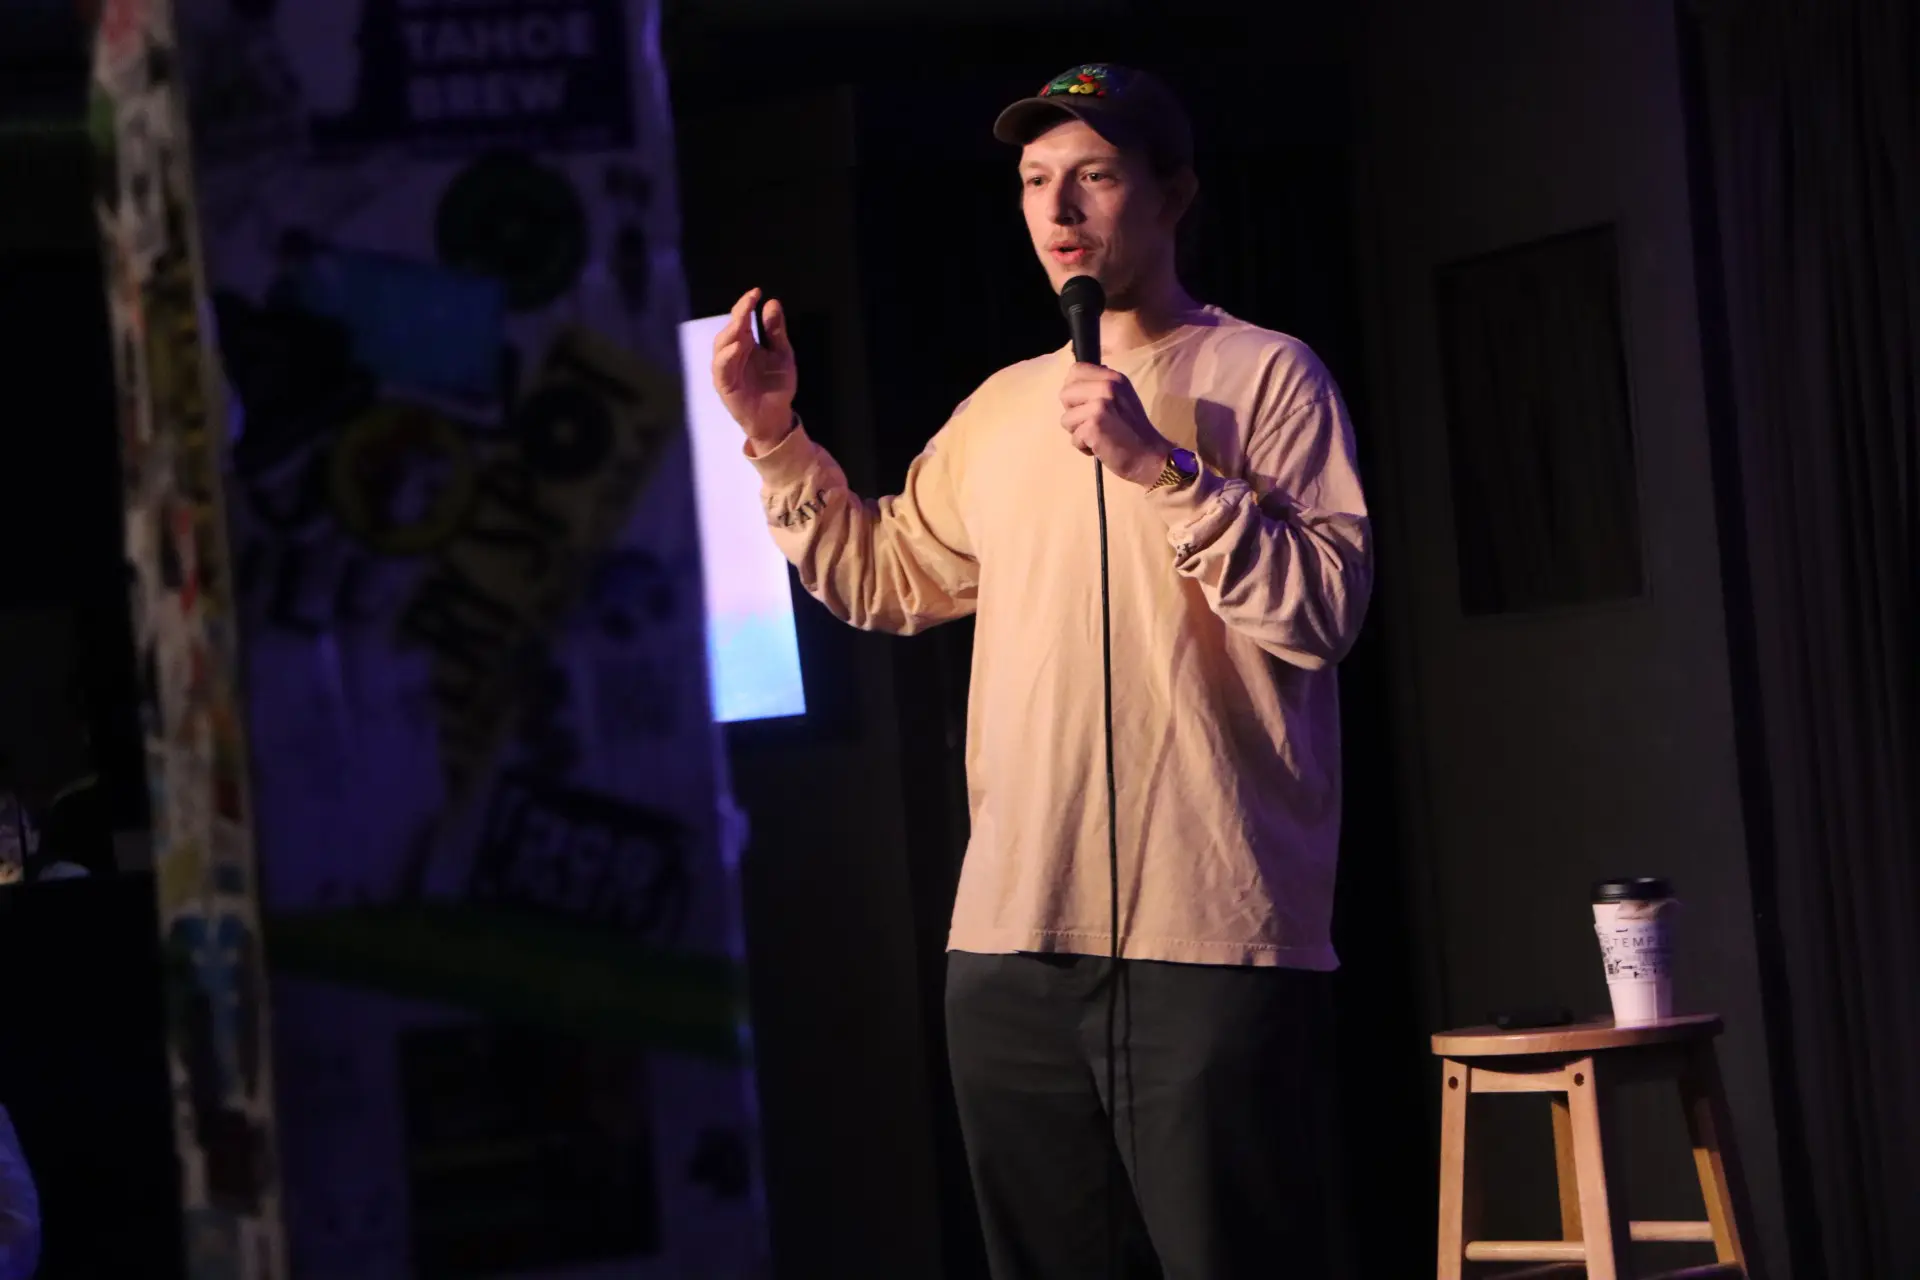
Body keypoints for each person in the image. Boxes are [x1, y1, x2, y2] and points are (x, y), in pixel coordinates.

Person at [711, 62, 1371, 1277]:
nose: (1059, 209)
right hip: (1009, 939)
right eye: (1034, 182)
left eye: (1096, 177)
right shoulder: (1004, 408)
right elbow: (886, 575)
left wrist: (1160, 465)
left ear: (1174, 197)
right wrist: (774, 438)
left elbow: (1322, 610)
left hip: (1210, 937)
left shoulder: (1270, 378)